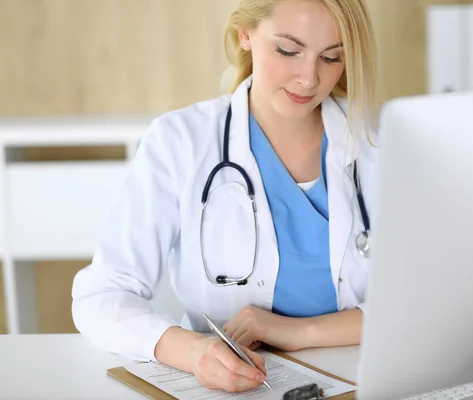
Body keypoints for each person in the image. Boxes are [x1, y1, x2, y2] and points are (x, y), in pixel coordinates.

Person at [72, 0, 378, 393]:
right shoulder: (179, 142)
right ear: (245, 35)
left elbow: (429, 299)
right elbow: (102, 295)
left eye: (332, 57)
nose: (309, 78)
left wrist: (298, 332)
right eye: (288, 50)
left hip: (361, 380)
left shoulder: (382, 141)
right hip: (232, 387)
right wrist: (192, 352)